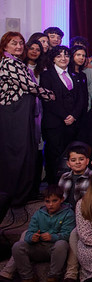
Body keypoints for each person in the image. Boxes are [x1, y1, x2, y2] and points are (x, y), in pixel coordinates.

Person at [0, 32, 55, 203]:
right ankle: (13, 195)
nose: (18, 46)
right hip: (13, 112)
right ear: (5, 46)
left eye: (20, 43)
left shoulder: (16, 62)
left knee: (25, 152)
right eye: (13, 43)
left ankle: (21, 193)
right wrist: (48, 94)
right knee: (15, 153)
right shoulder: (8, 62)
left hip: (22, 111)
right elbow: (27, 85)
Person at [12, 185, 75, 282]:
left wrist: (53, 237)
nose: (50, 204)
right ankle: (29, 279)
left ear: (61, 199)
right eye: (47, 201)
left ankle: (53, 279)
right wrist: (32, 237)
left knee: (61, 244)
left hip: (56, 249)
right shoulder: (39, 214)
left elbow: (68, 234)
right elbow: (29, 232)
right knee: (18, 246)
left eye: (54, 201)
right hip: (39, 247)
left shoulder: (68, 213)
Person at [40, 45, 88, 184]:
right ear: (53, 59)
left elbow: (81, 99)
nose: (63, 58)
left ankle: (68, 186)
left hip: (72, 123)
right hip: (55, 123)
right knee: (53, 156)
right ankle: (53, 186)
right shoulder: (46, 75)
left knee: (70, 156)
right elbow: (48, 100)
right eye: (59, 56)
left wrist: (73, 116)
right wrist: (65, 116)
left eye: (66, 55)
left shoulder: (74, 74)